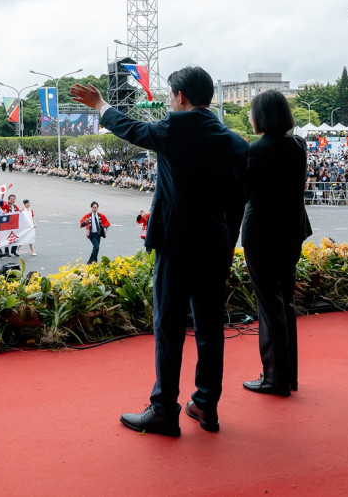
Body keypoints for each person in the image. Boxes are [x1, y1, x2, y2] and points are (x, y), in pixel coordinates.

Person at [70, 66, 248, 436]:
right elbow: (237, 201)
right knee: (210, 328)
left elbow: (131, 129)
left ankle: (164, 408)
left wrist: (101, 103)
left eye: (170, 96)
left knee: (168, 326)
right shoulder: (234, 142)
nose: (169, 102)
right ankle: (206, 405)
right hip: (215, 244)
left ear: (180, 97)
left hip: (177, 244)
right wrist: (227, 241)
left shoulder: (173, 128)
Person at [240, 90, 312, 396]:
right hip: (291, 230)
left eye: (251, 112)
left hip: (262, 234)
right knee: (285, 301)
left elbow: (244, 192)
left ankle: (274, 378)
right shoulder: (298, 145)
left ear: (262, 116)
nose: (248, 117)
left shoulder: (255, 151)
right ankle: (288, 375)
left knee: (269, 305)